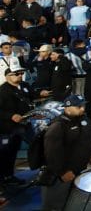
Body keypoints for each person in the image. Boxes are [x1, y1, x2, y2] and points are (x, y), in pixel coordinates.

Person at [41, 95, 91, 211]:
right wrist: (62, 172)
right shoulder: (58, 125)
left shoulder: (85, 119)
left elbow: (88, 138)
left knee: (72, 202)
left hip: (79, 168)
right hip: (62, 173)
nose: (82, 109)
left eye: (83, 105)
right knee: (55, 204)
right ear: (67, 107)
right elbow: (51, 153)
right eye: (78, 106)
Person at [0, 58, 34, 186]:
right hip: (7, 128)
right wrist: (11, 115)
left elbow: (31, 96)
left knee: (13, 151)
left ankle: (9, 176)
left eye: (21, 73)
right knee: (4, 153)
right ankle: (2, 178)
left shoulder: (23, 86)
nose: (20, 75)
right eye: (17, 73)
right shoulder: (3, 91)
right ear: (8, 76)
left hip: (23, 124)